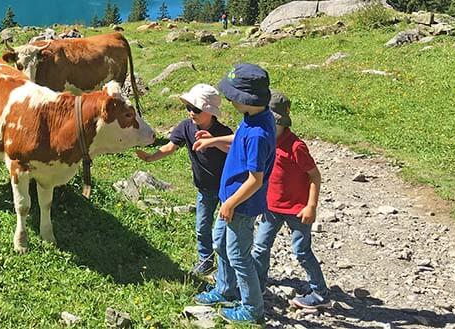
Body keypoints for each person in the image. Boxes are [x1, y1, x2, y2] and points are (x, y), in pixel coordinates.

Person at [193, 63, 275, 324]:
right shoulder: (253, 119)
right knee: (220, 243)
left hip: (241, 204)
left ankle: (252, 308)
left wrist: (229, 203)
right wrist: (214, 140)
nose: (229, 99)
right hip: (231, 199)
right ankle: (225, 289)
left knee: (239, 254)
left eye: (233, 96)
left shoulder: (259, 134)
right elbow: (237, 140)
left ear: (246, 99)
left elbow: (255, 180)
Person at [136, 84, 232, 276]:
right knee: (201, 227)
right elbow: (171, 147)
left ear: (210, 111)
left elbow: (233, 151)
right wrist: (150, 157)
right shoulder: (186, 127)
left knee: (222, 232)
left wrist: (213, 140)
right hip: (204, 188)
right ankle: (205, 261)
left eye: (195, 109)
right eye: (188, 108)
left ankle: (227, 265)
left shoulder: (223, 131)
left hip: (226, 189)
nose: (190, 113)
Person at [251, 92, 330, 309]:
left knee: (302, 251)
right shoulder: (265, 141)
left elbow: (314, 175)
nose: (269, 126)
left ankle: (320, 293)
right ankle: (257, 285)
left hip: (297, 209)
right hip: (270, 207)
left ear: (283, 123)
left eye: (273, 122)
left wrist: (311, 206)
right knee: (260, 246)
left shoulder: (296, 147)